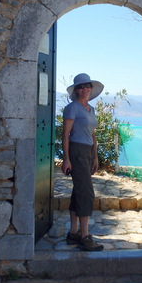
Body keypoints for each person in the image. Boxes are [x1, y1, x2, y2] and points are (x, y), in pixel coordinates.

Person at [61, 73, 104, 251]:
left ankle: (73, 233)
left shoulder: (90, 109)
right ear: (76, 90)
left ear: (91, 88)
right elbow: (65, 135)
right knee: (86, 193)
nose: (84, 89)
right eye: (80, 86)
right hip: (77, 151)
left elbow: (93, 134)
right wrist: (66, 159)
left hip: (87, 151)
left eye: (87, 85)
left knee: (78, 192)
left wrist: (95, 156)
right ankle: (84, 236)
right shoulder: (72, 108)